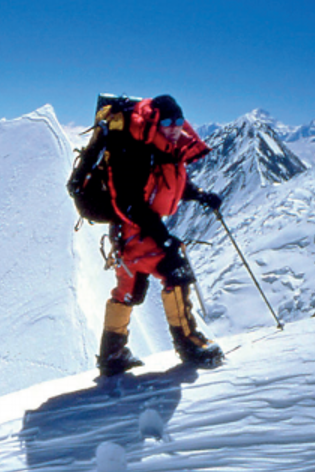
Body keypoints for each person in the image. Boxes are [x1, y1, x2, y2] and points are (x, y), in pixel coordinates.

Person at [81, 94, 225, 376]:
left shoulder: (157, 146)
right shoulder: (136, 151)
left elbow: (168, 183)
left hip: (126, 232)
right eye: (168, 121)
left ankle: (112, 354)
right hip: (136, 229)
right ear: (154, 120)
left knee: (127, 290)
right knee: (175, 270)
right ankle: (190, 344)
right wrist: (163, 237)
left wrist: (200, 195)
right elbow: (128, 202)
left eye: (179, 121)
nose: (174, 127)